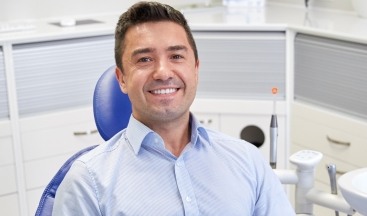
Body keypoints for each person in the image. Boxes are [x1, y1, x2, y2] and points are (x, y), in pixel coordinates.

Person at [52, 1, 295, 215]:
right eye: (144, 59)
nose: (163, 72)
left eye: (176, 56)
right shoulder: (88, 182)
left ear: (196, 69)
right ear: (122, 79)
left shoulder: (247, 160)